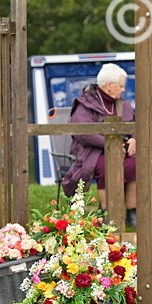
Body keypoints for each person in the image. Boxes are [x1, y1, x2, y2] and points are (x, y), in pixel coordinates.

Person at [62, 63, 138, 228]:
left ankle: (132, 212)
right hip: (93, 152)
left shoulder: (123, 105)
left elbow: (135, 124)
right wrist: (112, 145)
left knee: (135, 163)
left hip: (123, 151)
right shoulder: (84, 104)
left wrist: (134, 139)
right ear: (110, 86)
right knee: (106, 165)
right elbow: (84, 133)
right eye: (121, 86)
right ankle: (106, 210)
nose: (123, 90)